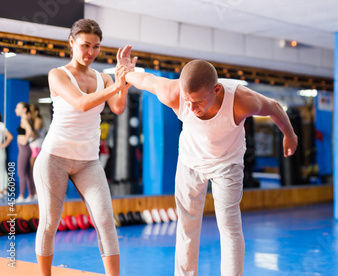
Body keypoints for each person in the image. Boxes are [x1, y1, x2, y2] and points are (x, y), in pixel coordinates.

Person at [122, 59, 298, 276]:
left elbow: (274, 107)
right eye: (188, 101)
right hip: (190, 161)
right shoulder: (172, 93)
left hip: (228, 164)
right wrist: (126, 70)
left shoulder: (242, 100)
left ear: (216, 90)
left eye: (198, 101)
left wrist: (290, 135)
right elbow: (145, 79)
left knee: (229, 227)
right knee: (187, 223)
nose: (192, 108)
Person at [33, 19, 131, 276]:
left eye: (96, 47)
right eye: (85, 45)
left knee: (106, 222)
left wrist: (124, 80)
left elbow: (118, 107)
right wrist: (116, 87)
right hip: (54, 158)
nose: (91, 52)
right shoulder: (58, 74)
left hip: (88, 161)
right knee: (49, 223)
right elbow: (82, 103)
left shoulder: (103, 77)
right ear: (72, 43)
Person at [15, 102, 35, 202]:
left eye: (18, 108)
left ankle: (22, 196)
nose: (16, 110)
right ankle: (31, 195)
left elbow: (30, 131)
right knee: (27, 173)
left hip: (24, 149)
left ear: (24, 110)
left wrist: (25, 140)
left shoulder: (24, 119)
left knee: (21, 172)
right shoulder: (25, 119)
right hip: (25, 149)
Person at [0, 113, 13, 198]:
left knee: (2, 170)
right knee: (3, 170)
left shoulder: (1, 125)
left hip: (0, 151)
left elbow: (10, 136)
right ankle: (4, 189)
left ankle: (2, 190)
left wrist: (3, 145)